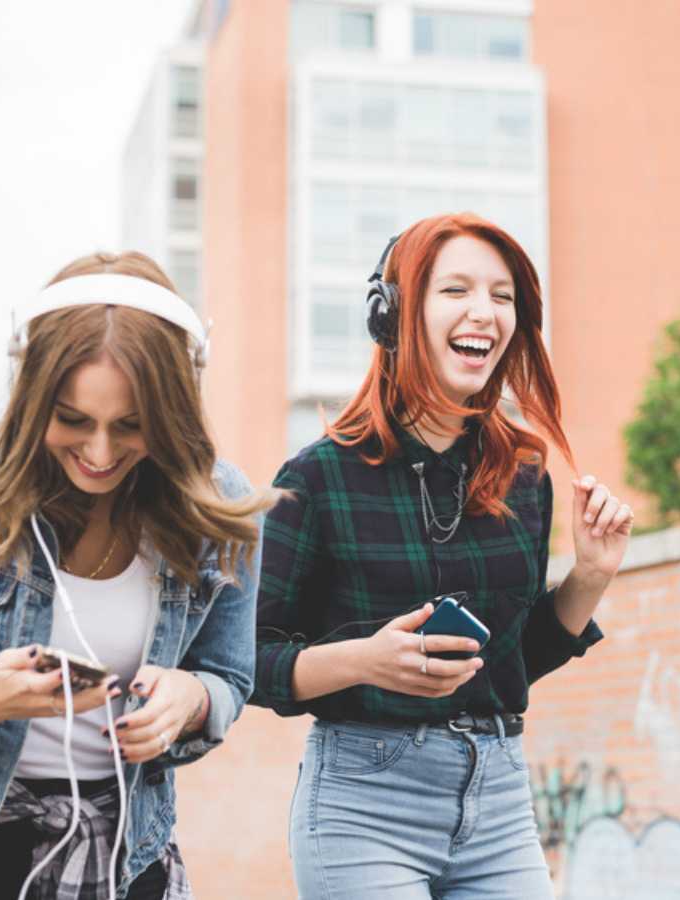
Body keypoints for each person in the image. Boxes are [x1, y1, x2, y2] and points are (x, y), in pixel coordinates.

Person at [0, 252, 273, 900]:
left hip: (121, 855)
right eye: (72, 420)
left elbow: (229, 677)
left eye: (131, 426)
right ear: (31, 391)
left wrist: (192, 700)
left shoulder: (219, 511)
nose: (99, 453)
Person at [253, 213, 633, 898]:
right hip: (364, 804)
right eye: (455, 290)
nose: (483, 312)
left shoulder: (524, 473)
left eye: (502, 295)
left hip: (499, 796)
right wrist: (363, 660)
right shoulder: (316, 480)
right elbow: (247, 662)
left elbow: (511, 661)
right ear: (393, 314)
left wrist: (591, 575)